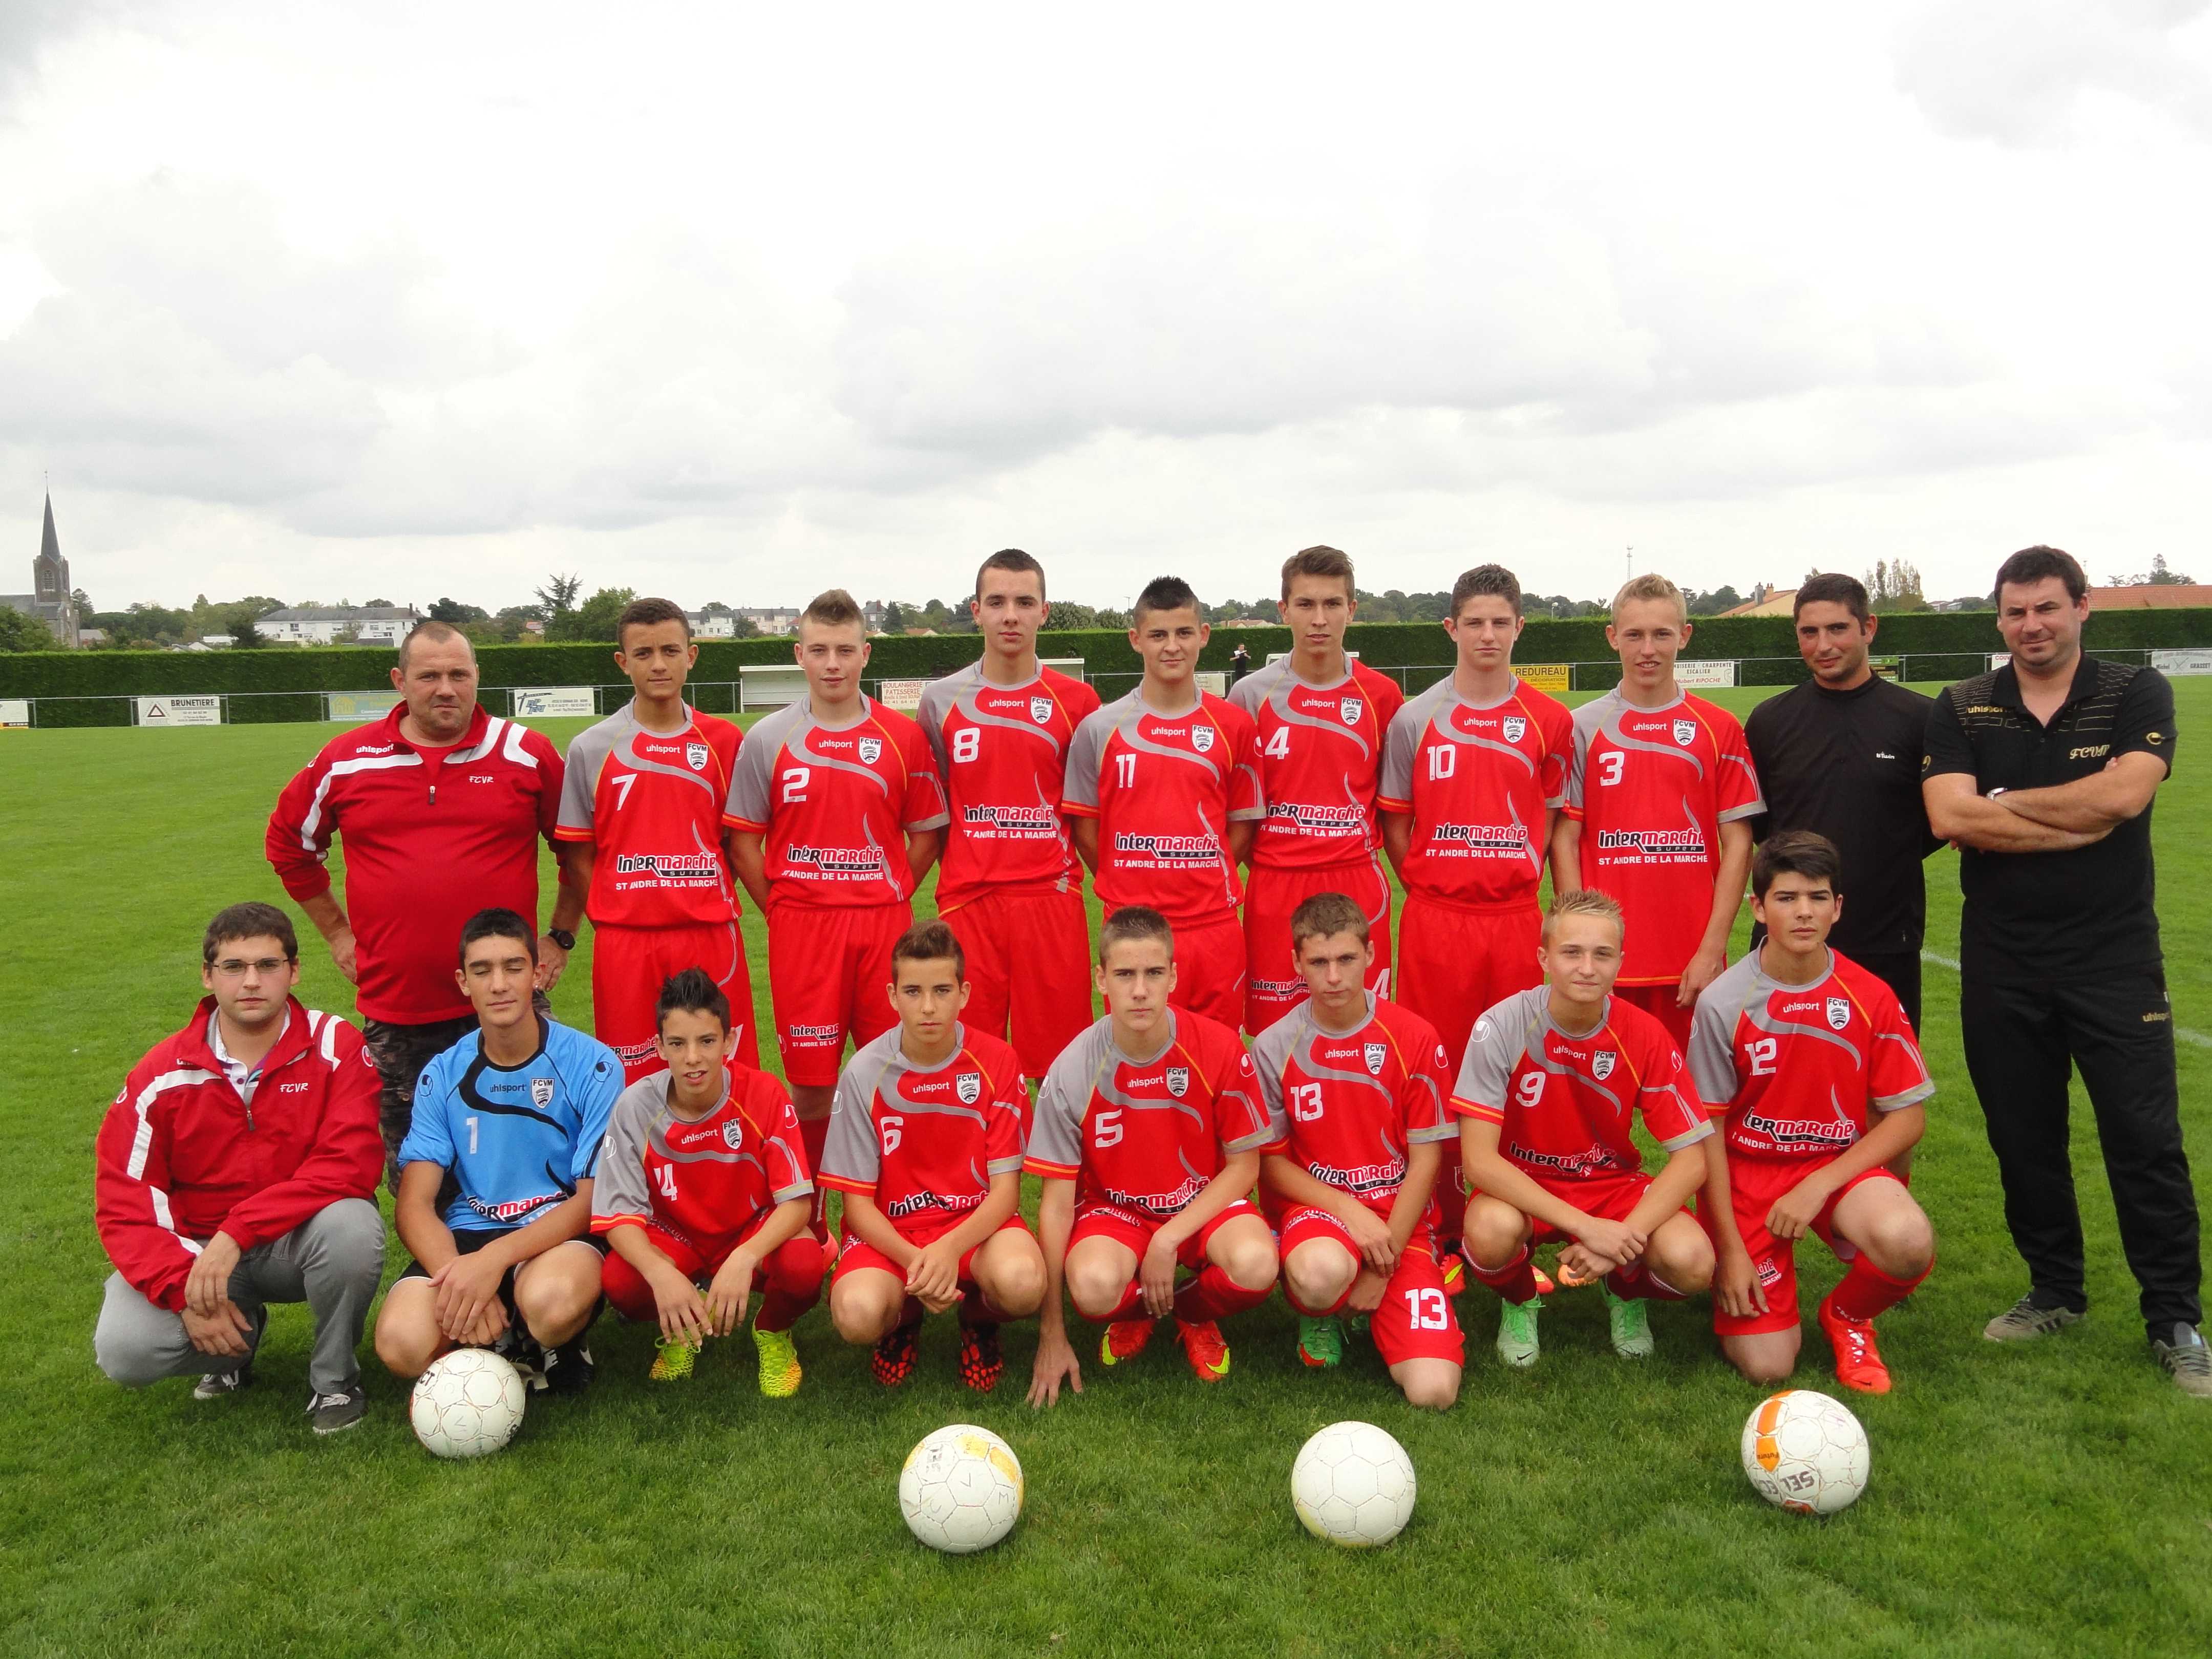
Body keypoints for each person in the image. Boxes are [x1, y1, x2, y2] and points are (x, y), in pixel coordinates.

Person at [1923, 544, 2205, 1395]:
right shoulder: (1964, 704)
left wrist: (2000, 809)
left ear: (2082, 607)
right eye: (2016, 612)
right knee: (2024, 1137)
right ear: (2000, 618)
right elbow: (1948, 817)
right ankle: (2055, 1291)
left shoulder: (2134, 691)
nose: (2032, 625)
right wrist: (2069, 819)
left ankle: (2175, 1318)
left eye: (2047, 607)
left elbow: (2125, 797)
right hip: (2002, 961)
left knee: (2145, 1141)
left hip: (2115, 958)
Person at [266, 619, 574, 1183]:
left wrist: (561, 935)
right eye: (429, 676)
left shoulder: (525, 753)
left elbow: (578, 848)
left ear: (477, 676)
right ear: (400, 681)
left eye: (459, 674)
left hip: (509, 1000)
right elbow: (289, 844)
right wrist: (337, 933)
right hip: (400, 1010)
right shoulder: (347, 759)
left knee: (537, 1158)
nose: (446, 689)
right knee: (419, 1171)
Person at [93, 903, 385, 1435]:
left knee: (353, 1228)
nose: (252, 981)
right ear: (208, 976)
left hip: (297, 1241)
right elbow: (125, 1201)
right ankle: (235, 1345)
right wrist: (183, 1291)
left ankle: (334, 1380)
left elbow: (350, 1163)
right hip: (201, 1254)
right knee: (126, 1349)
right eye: (234, 967)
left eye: (268, 965)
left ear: (294, 971)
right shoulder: (161, 1074)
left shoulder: (334, 1044)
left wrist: (238, 1231)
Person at [725, 588, 948, 1223]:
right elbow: (743, 841)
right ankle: (814, 1218)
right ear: (799, 655)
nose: (832, 664)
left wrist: (892, 890)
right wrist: (783, 908)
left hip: (883, 928)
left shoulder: (901, 737)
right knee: (811, 1084)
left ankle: (899, 1210)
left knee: (894, 1073)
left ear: (865, 654)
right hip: (804, 930)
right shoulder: (768, 738)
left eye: (845, 651)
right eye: (819, 650)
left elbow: (927, 831)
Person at [1690, 832, 1937, 1394]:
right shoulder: (1723, 1002)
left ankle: (1847, 1317)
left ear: (1838, 907)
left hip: (1834, 1168)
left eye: (1818, 897)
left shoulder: (1871, 996)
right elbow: (1708, 1135)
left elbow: (1907, 1119)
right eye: (1787, 897)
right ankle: (1755, 1272)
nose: (1804, 912)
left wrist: (1818, 1185)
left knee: (1907, 1239)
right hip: (1749, 1176)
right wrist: (1730, 1252)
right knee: (1767, 1366)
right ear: (1758, 908)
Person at [1378, 563, 1573, 1269]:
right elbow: (1397, 824)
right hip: (1437, 920)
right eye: (1474, 622)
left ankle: (1514, 1223)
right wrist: (1432, 884)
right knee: (1436, 1072)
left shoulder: (1551, 720)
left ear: (1519, 627)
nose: (1487, 635)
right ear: (1450, 628)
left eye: (1500, 622)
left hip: (1515, 919)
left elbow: (1554, 822)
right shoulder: (1414, 718)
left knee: (1519, 1069)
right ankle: (1437, 1226)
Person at [1025, 907, 1280, 1405]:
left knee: (1256, 1265)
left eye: (1153, 973)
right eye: (1125, 974)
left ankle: (1190, 1311)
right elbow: (1055, 1207)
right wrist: (1052, 1332)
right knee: (1093, 1287)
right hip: (1117, 1214)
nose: (1140, 990)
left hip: (1202, 1206)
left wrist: (1168, 1238)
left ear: (1173, 976)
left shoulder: (1219, 1048)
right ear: (1101, 979)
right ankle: (1141, 1311)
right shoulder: (1072, 1068)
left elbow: (1245, 1167)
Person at [1451, 889, 1715, 1367]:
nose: (1587, 968)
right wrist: (1588, 1229)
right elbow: (1479, 1162)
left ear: (1620, 963)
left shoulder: (1644, 1034)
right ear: (1544, 958)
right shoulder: (1501, 1026)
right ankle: (1520, 1297)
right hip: (1523, 1184)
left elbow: (1693, 1159)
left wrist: (1623, 1238)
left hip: (1610, 1185)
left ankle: (1624, 1286)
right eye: (1572, 953)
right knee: (1489, 1232)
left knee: (1693, 1261)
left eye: (1602, 955)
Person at [372, 908, 620, 1394]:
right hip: (470, 1234)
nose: (500, 984)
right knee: (401, 1345)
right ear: (463, 982)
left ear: (537, 973)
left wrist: (493, 1263)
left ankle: (552, 1339)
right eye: (482, 970)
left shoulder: (593, 1064)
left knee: (551, 1305)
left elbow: (593, 1199)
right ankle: (500, 1336)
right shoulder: (442, 1073)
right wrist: (460, 1279)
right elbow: (415, 1204)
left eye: (513, 967)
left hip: (554, 1234)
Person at [1253, 892, 1461, 1408]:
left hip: (1401, 1222)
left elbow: (1428, 1159)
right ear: (1296, 963)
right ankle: (1320, 1310)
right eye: (1318, 962)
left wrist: (1380, 1268)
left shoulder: (1414, 1037)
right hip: (1319, 1216)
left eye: (1346, 959)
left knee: (1434, 1391)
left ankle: (1376, 1297)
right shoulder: (1274, 1046)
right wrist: (1351, 1211)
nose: (1333, 977)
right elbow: (1271, 1165)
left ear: (1370, 954)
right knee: (1321, 1274)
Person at [821, 921, 1044, 1393]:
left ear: (964, 994)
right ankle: (903, 1319)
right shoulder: (863, 1073)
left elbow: (1006, 1193)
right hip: (893, 1236)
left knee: (1024, 1283)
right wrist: (919, 1262)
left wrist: (948, 1250)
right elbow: (856, 1207)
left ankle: (978, 1319)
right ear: (892, 996)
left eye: (942, 991)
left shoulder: (998, 1061)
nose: (927, 1007)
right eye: (913, 991)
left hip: (974, 1228)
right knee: (856, 1315)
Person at [555, 597, 759, 1083]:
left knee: (723, 1076)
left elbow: (736, 844)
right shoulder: (591, 747)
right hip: (625, 943)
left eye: (670, 651)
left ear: (692, 655)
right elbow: (578, 854)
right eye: (643, 654)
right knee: (633, 1083)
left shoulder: (726, 742)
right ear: (623, 662)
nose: (659, 665)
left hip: (710, 934)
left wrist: (698, 893)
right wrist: (617, 913)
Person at [1554, 573, 1763, 1049]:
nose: (1648, 649)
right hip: (1604, 960)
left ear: (1684, 636)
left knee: (1692, 1093)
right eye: (1634, 635)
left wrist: (1712, 949)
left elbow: (1738, 842)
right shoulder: (1581, 728)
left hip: (1691, 962)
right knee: (1601, 1091)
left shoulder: (1719, 728)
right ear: (1613, 637)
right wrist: (1580, 945)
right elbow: (1564, 840)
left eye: (1661, 634)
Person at [917, 550, 1101, 1080]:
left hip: (1050, 899)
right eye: (997, 602)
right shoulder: (940, 701)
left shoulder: (1079, 702)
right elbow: (936, 810)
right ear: (976, 611)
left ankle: (1055, 1144)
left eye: (1024, 602)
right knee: (967, 1064)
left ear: (1045, 611)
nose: (1011, 616)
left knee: (1061, 1069)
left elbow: (1089, 815)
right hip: (969, 902)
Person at [592, 969, 821, 1395]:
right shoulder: (634, 1107)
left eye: (707, 1041)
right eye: (678, 1044)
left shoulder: (764, 1093)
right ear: (659, 1047)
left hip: (748, 1229)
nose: (693, 1058)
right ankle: (684, 1326)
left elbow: (797, 1203)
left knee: (805, 1264)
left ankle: (773, 1330)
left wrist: (745, 1257)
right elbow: (617, 1216)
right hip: (676, 1237)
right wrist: (660, 1274)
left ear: (729, 1042)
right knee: (622, 1280)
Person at [1064, 577, 1264, 1028]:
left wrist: (1202, 874)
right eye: (1158, 634)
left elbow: (1242, 824)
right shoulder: (1099, 729)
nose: (1172, 646)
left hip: (1213, 926)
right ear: (1136, 639)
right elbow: (1086, 830)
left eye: (1183, 633)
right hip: (1132, 928)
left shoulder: (1235, 726)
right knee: (1139, 1053)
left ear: (1204, 635)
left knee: (1216, 1053)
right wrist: (1125, 877)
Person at [1745, 573, 1939, 1032]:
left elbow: (1936, 823)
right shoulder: (1770, 721)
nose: (1823, 645)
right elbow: (1760, 825)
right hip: (1788, 938)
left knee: (1884, 1070)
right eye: (1809, 632)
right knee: (1781, 1070)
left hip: (1886, 937)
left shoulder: (1921, 718)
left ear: (1868, 628)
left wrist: (1883, 856)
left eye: (1837, 629)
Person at [1229, 545, 1406, 1034]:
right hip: (1275, 883)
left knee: (1363, 1028)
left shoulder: (1382, 696)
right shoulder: (1249, 696)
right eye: (1306, 604)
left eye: (1333, 604)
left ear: (1352, 609)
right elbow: (1238, 807)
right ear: (1284, 610)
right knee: (1275, 1035)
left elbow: (1394, 804)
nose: (1320, 619)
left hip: (1357, 880)